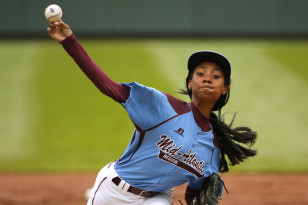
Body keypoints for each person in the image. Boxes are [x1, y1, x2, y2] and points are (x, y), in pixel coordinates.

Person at [47, 20, 257, 205]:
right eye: (200, 73)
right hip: (111, 191)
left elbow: (195, 192)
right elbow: (109, 87)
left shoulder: (212, 148)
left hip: (157, 198)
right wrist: (69, 42)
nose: (207, 78)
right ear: (190, 83)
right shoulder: (163, 106)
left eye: (216, 76)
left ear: (225, 88)